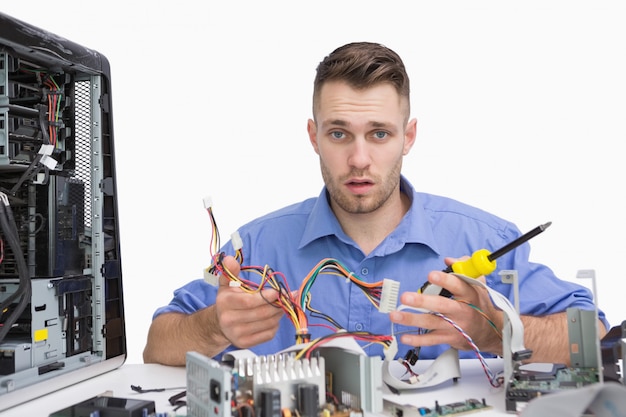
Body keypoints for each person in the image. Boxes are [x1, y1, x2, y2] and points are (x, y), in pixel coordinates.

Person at [143, 42, 608, 367]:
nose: (359, 159)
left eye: (380, 134)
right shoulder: (259, 245)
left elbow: (598, 338)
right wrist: (213, 327)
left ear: (408, 137)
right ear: (314, 137)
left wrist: (496, 331)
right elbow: (157, 344)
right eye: (339, 133)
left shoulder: (482, 240)